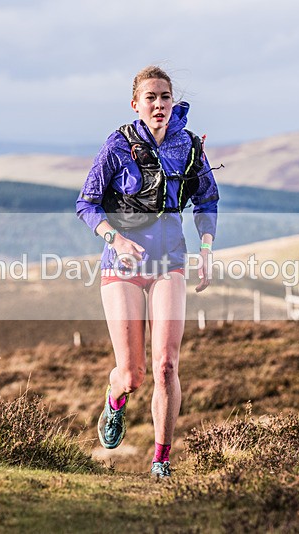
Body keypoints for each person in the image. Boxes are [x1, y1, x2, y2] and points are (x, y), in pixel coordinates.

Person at [76, 65, 219, 479]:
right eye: (151, 98)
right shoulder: (117, 146)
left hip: (169, 262)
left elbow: (207, 200)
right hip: (122, 267)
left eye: (165, 97)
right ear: (136, 104)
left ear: (173, 103)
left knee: (167, 366)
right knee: (134, 374)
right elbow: (87, 204)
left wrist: (206, 248)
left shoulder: (189, 147)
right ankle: (115, 398)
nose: (159, 104)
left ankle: (161, 460)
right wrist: (114, 239)